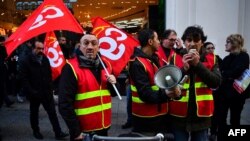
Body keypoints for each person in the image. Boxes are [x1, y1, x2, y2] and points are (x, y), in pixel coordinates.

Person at [58, 33, 117, 141]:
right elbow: (64, 104)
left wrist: (113, 83)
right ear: (79, 46)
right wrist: (75, 131)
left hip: (103, 127)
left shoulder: (106, 65)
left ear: (98, 47)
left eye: (94, 44)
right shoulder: (70, 68)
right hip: (83, 131)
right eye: (86, 43)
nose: (90, 47)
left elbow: (112, 93)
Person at [168, 25, 221, 141]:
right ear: (184, 42)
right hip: (179, 115)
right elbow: (168, 83)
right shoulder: (174, 58)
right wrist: (183, 70)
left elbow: (216, 82)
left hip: (202, 117)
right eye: (189, 40)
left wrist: (198, 64)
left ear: (202, 43)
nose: (192, 43)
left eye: (196, 40)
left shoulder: (212, 59)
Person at [128, 28, 181, 136]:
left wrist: (175, 90)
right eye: (157, 39)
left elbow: (164, 80)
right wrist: (167, 93)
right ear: (150, 42)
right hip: (146, 119)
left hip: (161, 115)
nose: (159, 41)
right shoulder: (137, 63)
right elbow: (145, 93)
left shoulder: (156, 58)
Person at [18, 40, 68, 140]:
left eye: (42, 48)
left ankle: (58, 132)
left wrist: (50, 87)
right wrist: (32, 91)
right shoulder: (25, 60)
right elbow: (24, 79)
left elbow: (49, 73)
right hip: (34, 93)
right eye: (38, 48)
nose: (40, 50)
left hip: (46, 92)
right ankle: (36, 131)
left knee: (52, 113)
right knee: (34, 113)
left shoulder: (44, 58)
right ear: (33, 48)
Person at [216, 34, 249, 141]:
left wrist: (226, 74)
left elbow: (237, 72)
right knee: (221, 118)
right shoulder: (226, 58)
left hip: (237, 94)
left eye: (228, 42)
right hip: (223, 94)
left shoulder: (244, 56)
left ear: (234, 43)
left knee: (235, 120)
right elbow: (221, 73)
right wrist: (227, 74)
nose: (225, 44)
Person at [203, 42, 222, 141]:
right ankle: (209, 133)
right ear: (204, 49)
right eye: (208, 48)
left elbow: (220, 75)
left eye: (212, 48)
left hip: (217, 92)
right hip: (205, 93)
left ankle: (213, 133)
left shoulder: (217, 58)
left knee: (216, 114)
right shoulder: (202, 59)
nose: (211, 50)